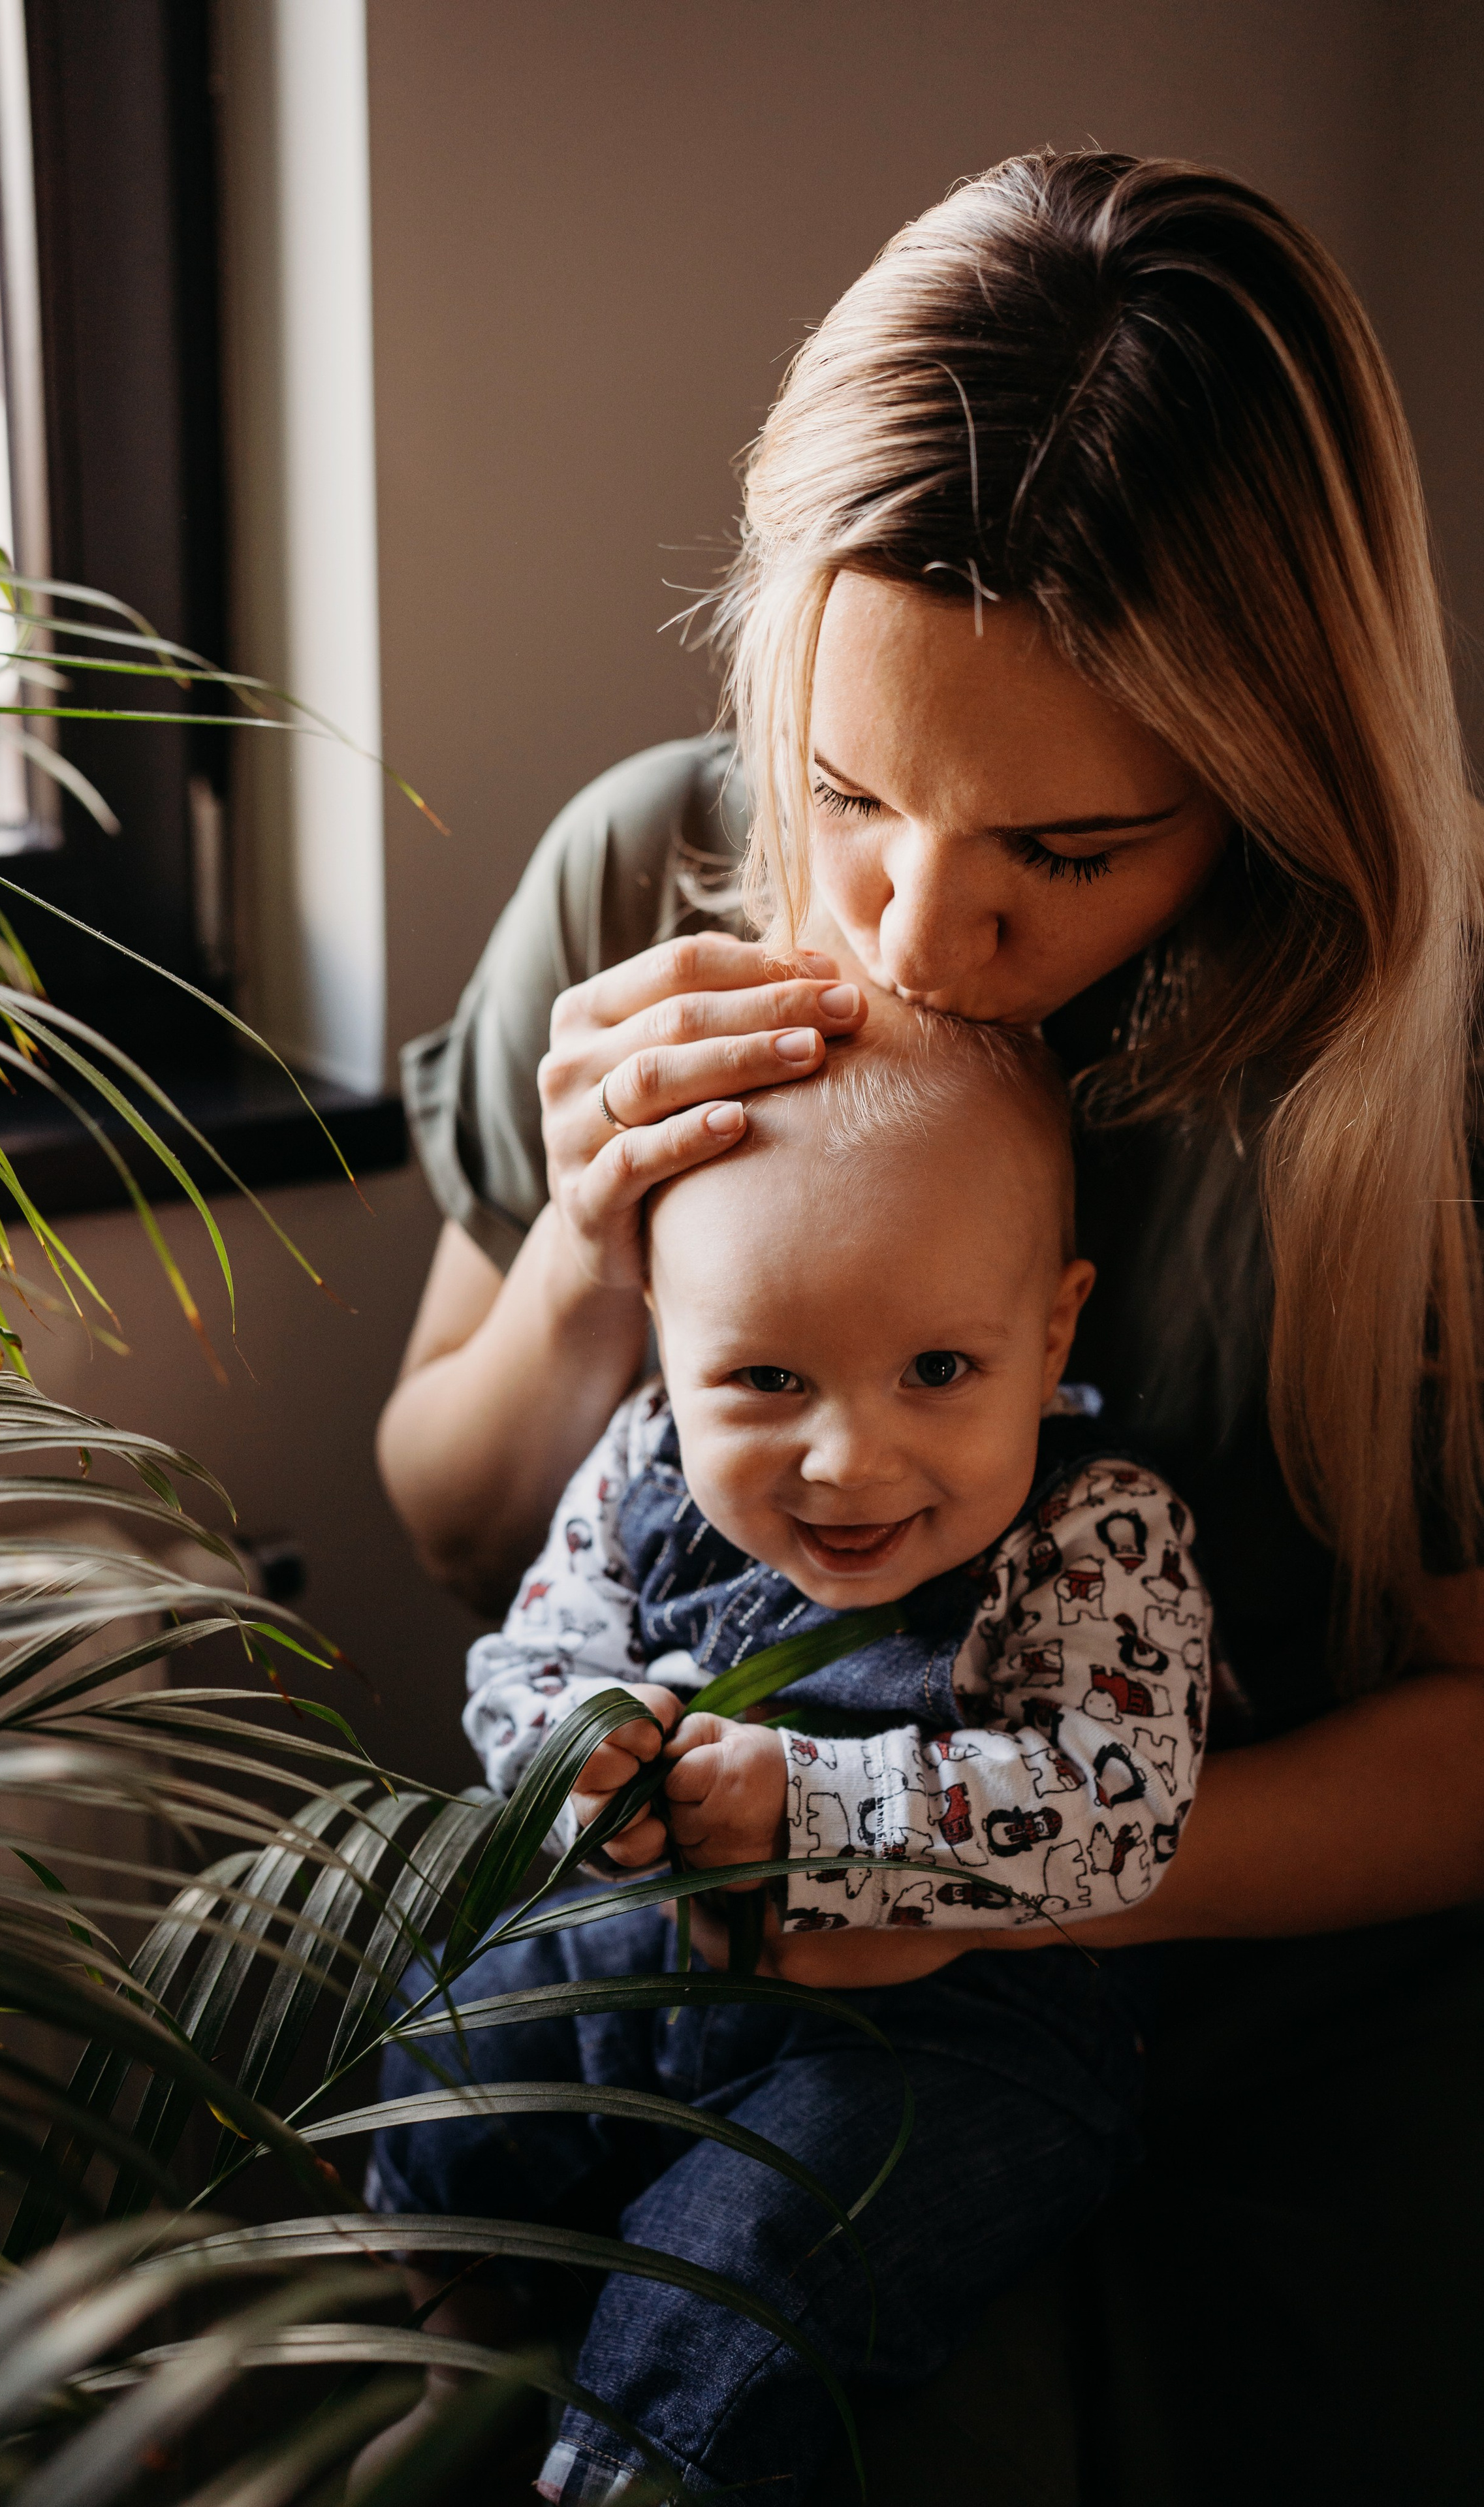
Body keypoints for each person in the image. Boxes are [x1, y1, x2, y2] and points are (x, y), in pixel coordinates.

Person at [377, 149, 1484, 2493]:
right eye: (853, 785)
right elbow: (462, 1525)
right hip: (716, 1951)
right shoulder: (642, 871)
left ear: (1276, 795)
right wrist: (598, 1245)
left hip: (1274, 1990)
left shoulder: (1405, 1086)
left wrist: (940, 1858)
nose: (911, 928)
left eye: (1065, 853)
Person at [375, 1009, 1210, 2504]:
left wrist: (825, 1813)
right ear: (661, 1334)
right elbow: (527, 1657)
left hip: (959, 2031)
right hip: (645, 1945)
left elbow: (1121, 1804)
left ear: (1055, 1330)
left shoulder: (1101, 1530)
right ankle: (457, 2352)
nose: (846, 1459)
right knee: (447, 2041)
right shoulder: (635, 1457)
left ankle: (627, 2467)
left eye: (939, 1368)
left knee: (746, 2260)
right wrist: (580, 1757)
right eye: (762, 1378)